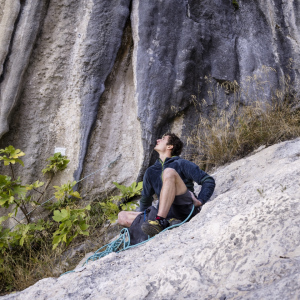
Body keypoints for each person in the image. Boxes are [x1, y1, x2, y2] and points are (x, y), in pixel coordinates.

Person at [118, 132, 215, 237]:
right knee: (122, 216)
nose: (158, 140)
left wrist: (200, 200)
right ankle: (166, 222)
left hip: (183, 207)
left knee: (169, 172)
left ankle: (160, 221)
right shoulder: (150, 171)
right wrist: (145, 218)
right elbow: (145, 200)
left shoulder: (180, 163)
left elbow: (208, 180)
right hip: (166, 213)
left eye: (163, 139)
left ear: (170, 146)